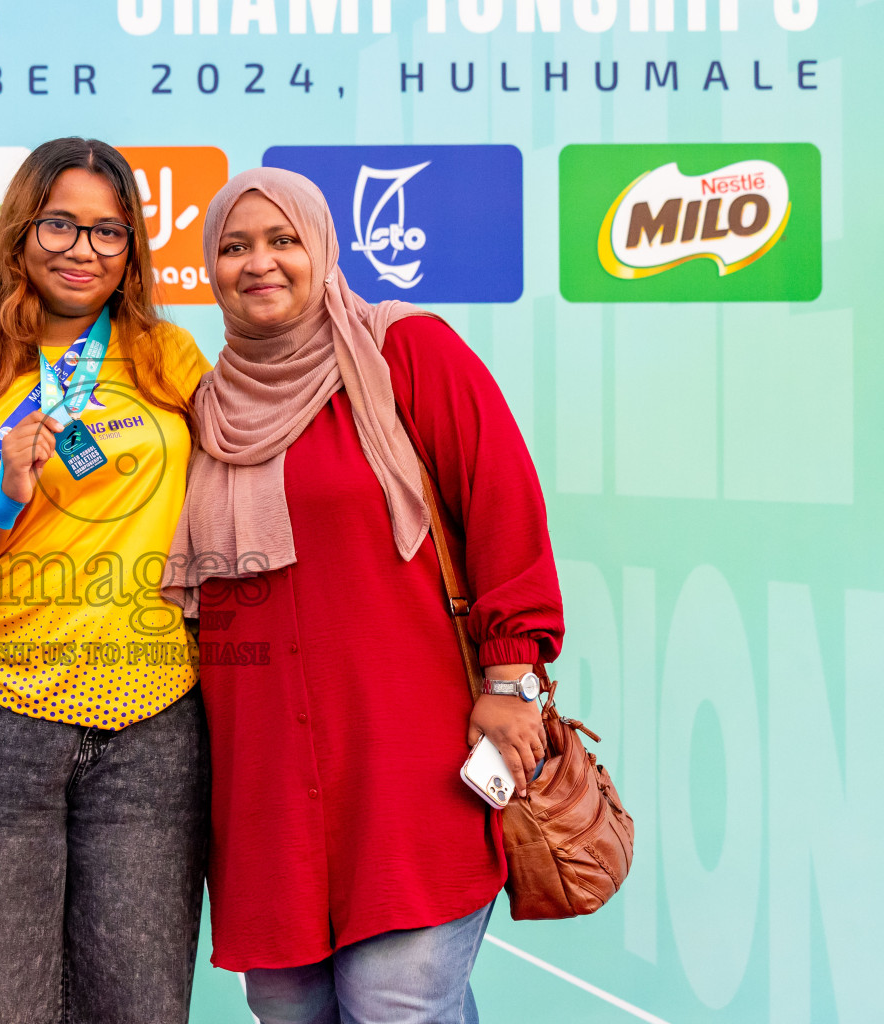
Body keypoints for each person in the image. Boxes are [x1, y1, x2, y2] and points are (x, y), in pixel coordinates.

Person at [162, 167, 565, 1023]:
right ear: (210, 270)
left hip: (408, 770)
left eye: (283, 240)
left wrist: (510, 679)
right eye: (234, 247)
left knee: (396, 1007)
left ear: (323, 248)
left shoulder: (403, 350)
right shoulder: (204, 409)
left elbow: (503, 507)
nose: (259, 263)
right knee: (289, 1012)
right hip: (263, 786)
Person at [0, 138, 211, 1024]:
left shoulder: (171, 360)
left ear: (132, 250)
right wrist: (1, 501)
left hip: (155, 726)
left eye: (109, 232)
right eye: (62, 224)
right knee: (1, 1011)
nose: (84, 250)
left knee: (143, 1009)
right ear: (20, 234)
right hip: (1, 724)